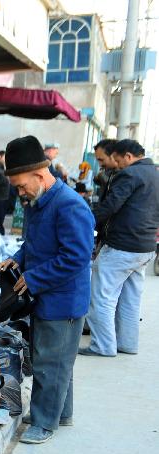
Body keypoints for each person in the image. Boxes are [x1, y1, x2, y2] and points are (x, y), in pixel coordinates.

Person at [0, 136, 94, 444]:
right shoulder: (39, 201)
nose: (20, 192)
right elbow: (35, 244)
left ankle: (44, 422)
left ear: (40, 175)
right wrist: (18, 259)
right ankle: (58, 413)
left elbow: (76, 257)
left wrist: (35, 278)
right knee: (56, 360)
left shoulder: (69, 205)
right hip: (48, 296)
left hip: (63, 301)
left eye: (21, 185)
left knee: (50, 363)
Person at [80, 139, 159, 357]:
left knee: (102, 296)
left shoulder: (130, 174)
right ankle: (127, 343)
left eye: (117, 159)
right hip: (145, 247)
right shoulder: (155, 173)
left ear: (127, 156)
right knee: (130, 299)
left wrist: (84, 221)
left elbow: (110, 206)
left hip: (122, 245)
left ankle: (102, 346)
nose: (116, 163)